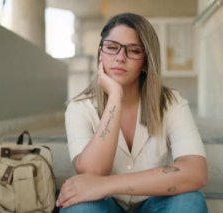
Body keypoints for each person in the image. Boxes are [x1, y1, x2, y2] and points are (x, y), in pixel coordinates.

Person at [57, 13, 208, 213]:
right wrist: (114, 97)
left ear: (146, 61)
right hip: (103, 203)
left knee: (189, 202)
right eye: (112, 47)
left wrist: (107, 184)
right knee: (81, 210)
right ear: (100, 54)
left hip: (156, 201)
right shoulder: (79, 107)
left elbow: (195, 172)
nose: (120, 57)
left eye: (134, 50)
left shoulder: (171, 102)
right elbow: (93, 172)